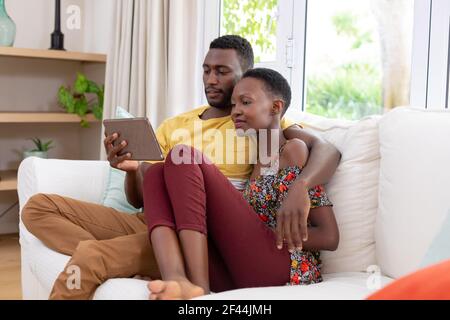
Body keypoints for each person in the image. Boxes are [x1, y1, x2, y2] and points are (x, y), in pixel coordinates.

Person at [21, 35, 341, 300]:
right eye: (206, 70)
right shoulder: (178, 123)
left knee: (92, 257)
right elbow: (141, 195)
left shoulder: (258, 123)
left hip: (204, 232)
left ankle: (157, 267)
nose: (211, 79)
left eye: (222, 71)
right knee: (37, 208)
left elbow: (325, 150)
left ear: (245, 75)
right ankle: (145, 256)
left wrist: (301, 188)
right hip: (155, 220)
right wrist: (132, 169)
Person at [143, 68, 340, 300]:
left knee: (183, 155)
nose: (235, 111)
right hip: (243, 267)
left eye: (245, 103)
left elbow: (330, 237)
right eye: (234, 104)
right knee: (155, 171)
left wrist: (275, 231)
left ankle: (200, 290)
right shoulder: (255, 159)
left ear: (276, 108)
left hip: (283, 267)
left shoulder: (293, 149)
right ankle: (176, 278)